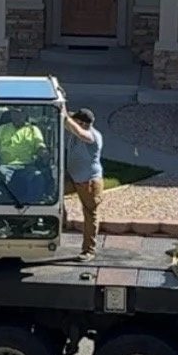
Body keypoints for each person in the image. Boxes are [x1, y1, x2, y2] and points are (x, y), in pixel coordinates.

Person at [63, 107, 103, 260]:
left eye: (75, 120)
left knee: (90, 214)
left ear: (82, 123)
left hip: (89, 182)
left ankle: (89, 250)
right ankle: (62, 219)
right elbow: (69, 124)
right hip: (73, 178)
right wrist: (63, 111)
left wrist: (67, 119)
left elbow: (80, 133)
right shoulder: (76, 130)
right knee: (53, 192)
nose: (71, 122)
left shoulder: (92, 136)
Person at [0, 107, 50, 204]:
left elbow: (40, 146)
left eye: (19, 114)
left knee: (38, 177)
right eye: (14, 113)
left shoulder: (33, 129)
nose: (16, 117)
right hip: (5, 167)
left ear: (25, 115)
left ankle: (29, 207)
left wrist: (43, 152)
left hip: (27, 167)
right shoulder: (2, 129)